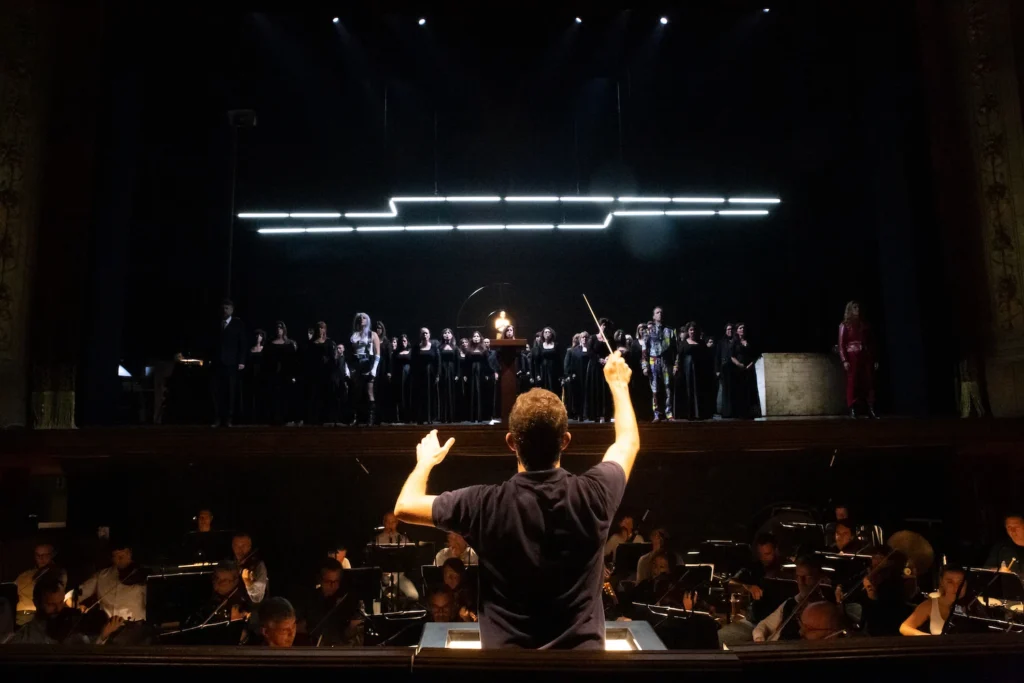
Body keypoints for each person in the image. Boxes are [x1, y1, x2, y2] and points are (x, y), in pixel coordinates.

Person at [392, 349, 639, 649]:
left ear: (510, 442)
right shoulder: (595, 494)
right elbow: (627, 442)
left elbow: (404, 506)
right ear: (565, 441)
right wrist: (618, 384)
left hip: (505, 672)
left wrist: (425, 462)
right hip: (581, 672)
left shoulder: (483, 505)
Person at [10, 576, 122, 645]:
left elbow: (85, 658)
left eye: (61, 602)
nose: (59, 609)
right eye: (51, 604)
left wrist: (103, 635)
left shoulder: (71, 627)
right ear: (36, 603)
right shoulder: (24, 638)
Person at [752, 555, 825, 642]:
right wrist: (759, 639)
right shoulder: (790, 602)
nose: (801, 582)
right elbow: (764, 625)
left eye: (807, 577)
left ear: (819, 578)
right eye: (798, 577)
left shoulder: (824, 609)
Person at [71, 541, 146, 622]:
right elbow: (73, 595)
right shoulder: (101, 576)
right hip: (106, 627)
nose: (119, 561)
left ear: (130, 553)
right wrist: (78, 608)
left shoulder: (143, 576)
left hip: (134, 627)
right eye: (116, 557)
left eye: (122, 556)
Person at [298, 558, 362, 646]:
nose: (332, 586)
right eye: (328, 581)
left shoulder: (346, 601)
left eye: (336, 581)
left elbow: (348, 634)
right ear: (320, 580)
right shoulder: (310, 600)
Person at [730, 532, 785, 625]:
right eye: (761, 554)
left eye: (767, 554)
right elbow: (730, 582)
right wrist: (749, 587)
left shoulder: (786, 569)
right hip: (757, 620)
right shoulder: (754, 568)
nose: (763, 558)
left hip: (781, 618)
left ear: (776, 551)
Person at [839, 300, 878, 419]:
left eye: (859, 307)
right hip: (852, 356)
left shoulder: (864, 324)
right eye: (855, 307)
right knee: (853, 382)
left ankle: (870, 408)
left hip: (865, 356)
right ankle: (853, 408)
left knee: (868, 382)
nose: (858, 309)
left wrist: (874, 359)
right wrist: (845, 360)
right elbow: (841, 344)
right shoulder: (844, 325)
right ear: (850, 309)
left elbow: (871, 343)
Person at [900, 566, 966, 636]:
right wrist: (930, 639)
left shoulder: (973, 607)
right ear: (941, 582)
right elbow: (904, 627)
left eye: (960, 582)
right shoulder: (930, 605)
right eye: (950, 582)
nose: (956, 587)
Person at [211, 298, 246, 427]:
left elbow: (242, 344)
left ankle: (229, 418)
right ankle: (217, 418)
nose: (224, 310)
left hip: (231, 363)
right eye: (223, 308)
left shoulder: (238, 324)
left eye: (227, 308)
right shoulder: (217, 324)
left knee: (230, 392)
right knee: (217, 392)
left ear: (232, 310)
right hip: (218, 363)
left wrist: (241, 361)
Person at [185, 562, 252, 629]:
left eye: (224, 581)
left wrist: (236, 622)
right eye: (216, 578)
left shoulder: (244, 603)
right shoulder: (207, 597)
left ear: (235, 581)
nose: (218, 583)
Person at [14, 543, 67, 627]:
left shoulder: (57, 573)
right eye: (38, 555)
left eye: (45, 555)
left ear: (52, 555)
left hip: (38, 616)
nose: (41, 558)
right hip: (19, 617)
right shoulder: (24, 575)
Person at [345, 313, 381, 426]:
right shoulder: (353, 335)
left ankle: (370, 419)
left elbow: (377, 353)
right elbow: (349, 353)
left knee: (369, 391)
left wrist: (374, 369)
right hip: (356, 364)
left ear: (368, 320)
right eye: (359, 318)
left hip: (368, 363)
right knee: (356, 392)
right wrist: (348, 369)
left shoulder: (372, 334)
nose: (361, 319)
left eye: (364, 317)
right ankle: (357, 418)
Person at [374, 512, 419, 601]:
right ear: (384, 523)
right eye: (388, 522)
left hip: (399, 576)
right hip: (384, 578)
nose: (390, 525)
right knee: (386, 598)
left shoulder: (403, 539)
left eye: (393, 522)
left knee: (414, 596)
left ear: (397, 523)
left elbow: (409, 557)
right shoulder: (378, 539)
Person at [674, 322, 714, 420]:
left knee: (699, 390)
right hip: (686, 371)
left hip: (699, 370)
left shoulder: (701, 343)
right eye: (691, 330)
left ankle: (699, 413)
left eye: (694, 330)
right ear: (688, 331)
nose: (692, 332)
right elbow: (679, 356)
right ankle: (689, 413)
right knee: (688, 390)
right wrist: (676, 367)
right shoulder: (684, 343)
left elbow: (706, 357)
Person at [641, 307, 674, 422]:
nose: (660, 314)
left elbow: (675, 350)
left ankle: (669, 413)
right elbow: (645, 350)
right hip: (653, 361)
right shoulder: (648, 332)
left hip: (665, 361)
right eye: (657, 312)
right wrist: (645, 366)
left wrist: (675, 365)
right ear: (653, 316)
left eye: (661, 312)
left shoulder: (670, 331)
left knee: (668, 387)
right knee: (655, 389)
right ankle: (656, 413)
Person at [304, 321, 337, 425]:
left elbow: (333, 359)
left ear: (325, 329)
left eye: (322, 328)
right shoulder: (311, 343)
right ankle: (314, 418)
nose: (320, 330)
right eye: (318, 328)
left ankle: (327, 418)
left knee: (326, 395)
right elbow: (308, 359)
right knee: (315, 395)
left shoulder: (329, 342)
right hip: (314, 373)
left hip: (326, 372)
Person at [266, 321, 298, 425]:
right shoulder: (271, 344)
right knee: (275, 397)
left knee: (287, 396)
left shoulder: (289, 344)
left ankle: (288, 418)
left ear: (284, 329)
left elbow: (294, 361)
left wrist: (293, 375)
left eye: (281, 328)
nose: (279, 330)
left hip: (287, 374)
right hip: (274, 374)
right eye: (277, 328)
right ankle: (276, 418)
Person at [729, 323, 760, 419]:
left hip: (749, 369)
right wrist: (739, 364)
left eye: (743, 328)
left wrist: (750, 365)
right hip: (738, 369)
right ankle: (739, 412)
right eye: (740, 328)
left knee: (749, 390)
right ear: (737, 331)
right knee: (739, 390)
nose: (742, 329)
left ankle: (750, 412)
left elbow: (755, 356)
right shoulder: (734, 342)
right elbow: (732, 356)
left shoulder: (749, 341)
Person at [412, 327, 440, 424]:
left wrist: (437, 375)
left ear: (429, 335)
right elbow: (413, 362)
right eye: (423, 333)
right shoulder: (416, 347)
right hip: (420, 375)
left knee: (430, 396)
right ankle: (420, 418)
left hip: (431, 374)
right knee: (420, 396)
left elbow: (438, 361)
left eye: (426, 333)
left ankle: (430, 418)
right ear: (420, 335)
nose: (425, 335)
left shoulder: (434, 347)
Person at [232, 532, 268, 604]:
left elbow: (257, 598)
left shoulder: (258, 565)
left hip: (250, 609)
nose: (240, 549)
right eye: (236, 546)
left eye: (243, 546)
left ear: (249, 546)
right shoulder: (230, 563)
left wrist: (248, 583)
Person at [984, 512, 1024, 576]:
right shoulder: (1000, 548)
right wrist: (997, 571)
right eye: (1009, 527)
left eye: (1016, 526)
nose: (1012, 530)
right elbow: (986, 570)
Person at [243, 329, 267, 424]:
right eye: (257, 335)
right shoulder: (250, 349)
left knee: (261, 396)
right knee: (250, 397)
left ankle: (261, 417)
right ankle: (251, 418)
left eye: (260, 335)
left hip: (261, 375)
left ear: (263, 337)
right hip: (251, 375)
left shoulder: (264, 349)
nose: (258, 337)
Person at [464, 332, 488, 423]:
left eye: (478, 336)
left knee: (480, 393)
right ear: (472, 338)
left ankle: (480, 417)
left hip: (480, 373)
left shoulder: (484, 349)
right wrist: (465, 374)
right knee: (472, 393)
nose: (476, 338)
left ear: (480, 338)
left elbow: (486, 363)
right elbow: (466, 363)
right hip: (471, 373)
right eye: (474, 336)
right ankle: (472, 417)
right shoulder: (469, 349)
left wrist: (488, 373)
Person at [438, 328, 461, 424]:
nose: (447, 335)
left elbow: (458, 362)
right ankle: (443, 417)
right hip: (443, 371)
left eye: (449, 333)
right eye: (445, 333)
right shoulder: (440, 347)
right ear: (442, 336)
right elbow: (438, 361)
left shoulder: (455, 348)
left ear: (452, 335)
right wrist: (438, 374)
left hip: (452, 371)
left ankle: (451, 417)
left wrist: (457, 374)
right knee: (443, 394)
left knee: (451, 394)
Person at [570, 331, 594, 421]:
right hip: (579, 376)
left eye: (586, 338)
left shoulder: (591, 350)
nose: (584, 339)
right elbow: (573, 364)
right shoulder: (575, 350)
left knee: (589, 394)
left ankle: (589, 413)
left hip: (589, 375)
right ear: (580, 339)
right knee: (579, 395)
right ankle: (579, 414)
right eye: (583, 337)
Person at [715, 323, 735, 417]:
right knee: (724, 391)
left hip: (734, 370)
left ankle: (734, 412)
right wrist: (717, 370)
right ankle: (725, 412)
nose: (729, 331)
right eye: (728, 329)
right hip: (724, 369)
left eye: (731, 329)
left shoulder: (736, 341)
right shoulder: (721, 342)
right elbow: (717, 357)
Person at [374, 320, 392, 424]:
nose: (378, 330)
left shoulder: (386, 342)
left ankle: (384, 417)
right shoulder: (372, 340)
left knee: (383, 393)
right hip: (375, 367)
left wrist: (389, 372)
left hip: (384, 368)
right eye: (376, 328)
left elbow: (389, 358)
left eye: (380, 328)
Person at [392, 334, 413, 423]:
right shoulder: (396, 353)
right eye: (401, 341)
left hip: (408, 374)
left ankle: (409, 416)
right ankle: (400, 416)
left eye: (404, 341)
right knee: (400, 395)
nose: (403, 342)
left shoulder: (411, 351)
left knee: (408, 394)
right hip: (398, 375)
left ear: (407, 341)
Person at [562, 333, 580, 419]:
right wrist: (568, 375)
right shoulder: (570, 350)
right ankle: (572, 413)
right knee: (571, 396)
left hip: (580, 376)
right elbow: (566, 365)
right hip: (571, 377)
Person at [483, 337, 501, 421]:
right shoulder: (482, 352)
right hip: (484, 375)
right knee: (485, 395)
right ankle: (485, 414)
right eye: (485, 342)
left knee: (493, 394)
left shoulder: (494, 352)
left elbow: (497, 363)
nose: (486, 343)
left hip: (492, 374)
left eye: (488, 342)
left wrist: (496, 372)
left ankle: (493, 414)